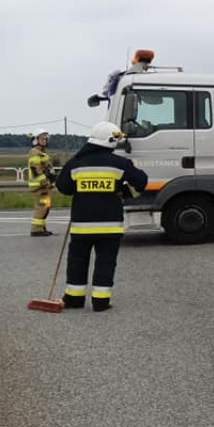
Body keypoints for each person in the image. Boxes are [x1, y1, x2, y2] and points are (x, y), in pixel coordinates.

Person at [55, 122, 148, 311]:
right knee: (105, 262)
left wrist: (81, 189)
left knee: (77, 261)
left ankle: (74, 298)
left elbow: (63, 187)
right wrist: (124, 191)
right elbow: (142, 182)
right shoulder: (120, 164)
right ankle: (101, 301)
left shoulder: (76, 162)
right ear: (111, 141)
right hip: (110, 226)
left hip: (82, 225)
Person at [27, 130, 55, 236]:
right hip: (39, 186)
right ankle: (36, 230)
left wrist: (51, 180)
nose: (45, 140)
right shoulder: (35, 153)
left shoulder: (43, 153)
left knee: (45, 207)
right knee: (42, 207)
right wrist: (44, 182)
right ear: (36, 140)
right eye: (42, 138)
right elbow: (36, 170)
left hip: (44, 186)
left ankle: (41, 228)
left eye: (46, 139)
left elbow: (47, 168)